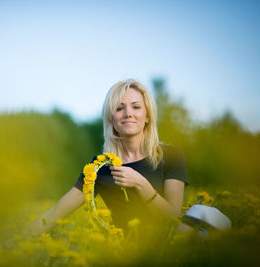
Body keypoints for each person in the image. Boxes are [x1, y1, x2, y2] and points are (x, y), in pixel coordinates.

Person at [28, 79, 189, 236]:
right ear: (111, 118)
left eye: (136, 107)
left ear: (147, 116)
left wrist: (141, 184)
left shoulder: (171, 156)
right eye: (119, 108)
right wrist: (14, 241)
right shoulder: (99, 167)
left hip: (168, 249)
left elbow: (173, 219)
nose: (128, 113)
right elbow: (55, 214)